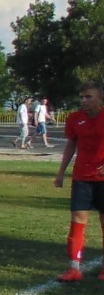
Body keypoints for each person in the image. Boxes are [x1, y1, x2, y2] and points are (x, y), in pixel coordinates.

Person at [52, 80, 104, 282]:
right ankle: (74, 268)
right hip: (82, 177)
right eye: (82, 97)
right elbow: (70, 146)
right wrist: (60, 172)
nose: (84, 100)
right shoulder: (74, 119)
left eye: (88, 96)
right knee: (77, 221)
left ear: (99, 98)